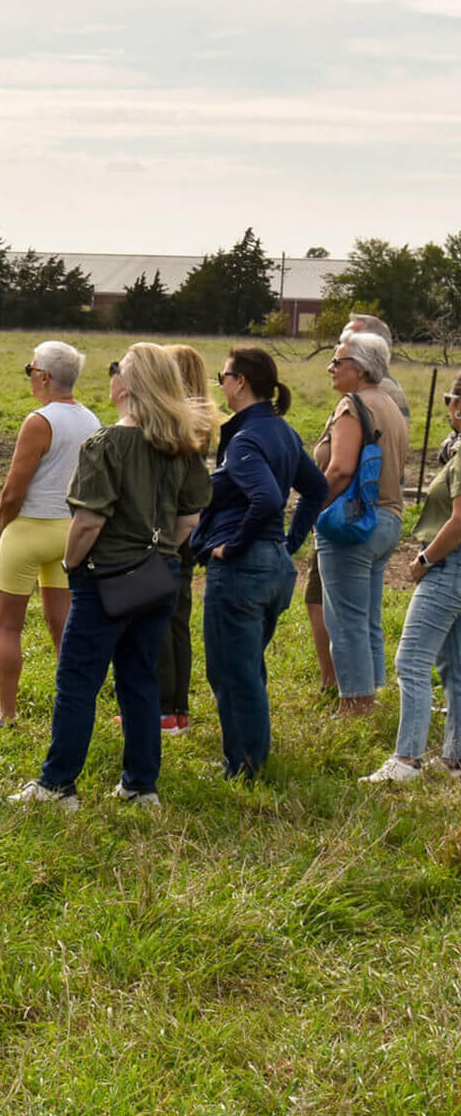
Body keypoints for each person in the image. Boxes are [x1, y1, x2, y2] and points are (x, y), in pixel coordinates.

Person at [8, 345, 215, 809]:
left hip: (105, 576)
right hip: (158, 573)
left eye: (116, 368)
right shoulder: (181, 445)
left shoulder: (106, 444)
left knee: (77, 681)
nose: (111, 375)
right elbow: (190, 519)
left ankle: (57, 785)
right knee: (140, 679)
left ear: (127, 384)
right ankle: (141, 786)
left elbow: (88, 523)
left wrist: (71, 565)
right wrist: (157, 550)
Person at [191, 349, 326, 779]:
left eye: (223, 375)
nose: (221, 384)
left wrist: (232, 546)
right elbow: (316, 488)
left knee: (232, 672)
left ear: (242, 382)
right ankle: (250, 754)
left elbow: (266, 499)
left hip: (242, 571)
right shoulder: (282, 431)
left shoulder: (246, 438)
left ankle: (244, 766)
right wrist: (288, 544)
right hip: (273, 569)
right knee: (247, 665)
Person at [0, 341, 98, 730]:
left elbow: (13, 491)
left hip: (29, 529)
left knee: (7, 626)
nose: (30, 377)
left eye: (31, 370)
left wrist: (4, 525)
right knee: (63, 625)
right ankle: (72, 707)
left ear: (45, 377)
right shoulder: (92, 420)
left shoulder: (39, 421)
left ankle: (7, 713)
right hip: (70, 532)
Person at [304, 313, 414, 691]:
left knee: (345, 621)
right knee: (367, 619)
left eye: (338, 361)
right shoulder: (390, 404)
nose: (330, 367)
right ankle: (374, 693)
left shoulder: (353, 405)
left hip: (353, 522)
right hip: (388, 519)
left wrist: (311, 509)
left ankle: (355, 704)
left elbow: (339, 471)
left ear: (362, 368)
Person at [364, 373, 461, 784]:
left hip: (449, 565)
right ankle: (455, 758)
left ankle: (407, 760)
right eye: (449, 399)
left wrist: (424, 559)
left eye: (452, 399)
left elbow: (459, 521)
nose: (450, 408)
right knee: (454, 665)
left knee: (412, 661)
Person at [154, 344, 218, 733]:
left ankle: (163, 708)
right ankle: (178, 708)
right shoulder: (203, 422)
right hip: (191, 530)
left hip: (171, 528)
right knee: (178, 616)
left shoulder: (174, 425)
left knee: (159, 619)